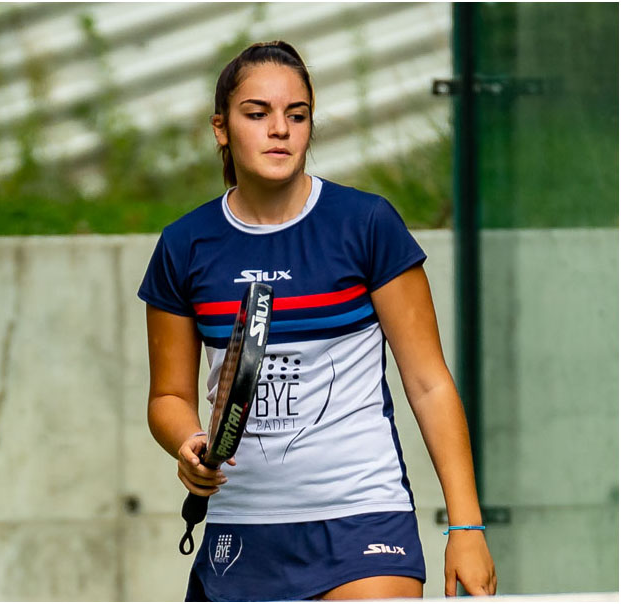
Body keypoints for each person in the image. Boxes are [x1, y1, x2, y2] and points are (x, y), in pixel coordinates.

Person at [137, 40, 496, 601]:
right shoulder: (184, 245)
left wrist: (466, 527)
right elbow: (168, 397)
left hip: (363, 520)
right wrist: (190, 442)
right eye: (257, 113)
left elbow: (429, 383)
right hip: (242, 531)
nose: (280, 129)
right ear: (221, 129)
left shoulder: (367, 224)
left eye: (297, 115)